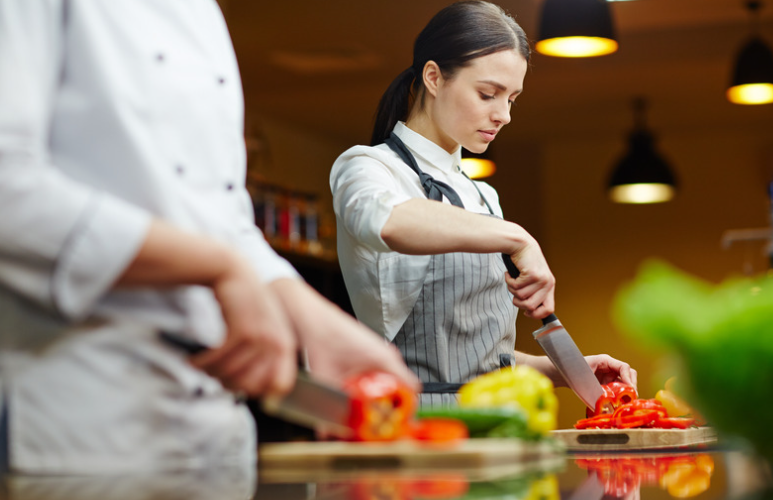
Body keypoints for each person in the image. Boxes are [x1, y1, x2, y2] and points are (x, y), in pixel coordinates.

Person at [0, 0, 418, 475]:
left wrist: (315, 322)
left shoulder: (201, 13)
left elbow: (220, 218)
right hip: (86, 424)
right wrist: (217, 268)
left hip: (212, 436)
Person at [330, 0, 636, 406]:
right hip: (419, 424)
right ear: (434, 77)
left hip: (498, 419)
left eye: (512, 99)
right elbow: (390, 221)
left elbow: (479, 358)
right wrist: (518, 239)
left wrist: (564, 369)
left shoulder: (482, 195)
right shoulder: (367, 167)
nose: (504, 115)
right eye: (488, 94)